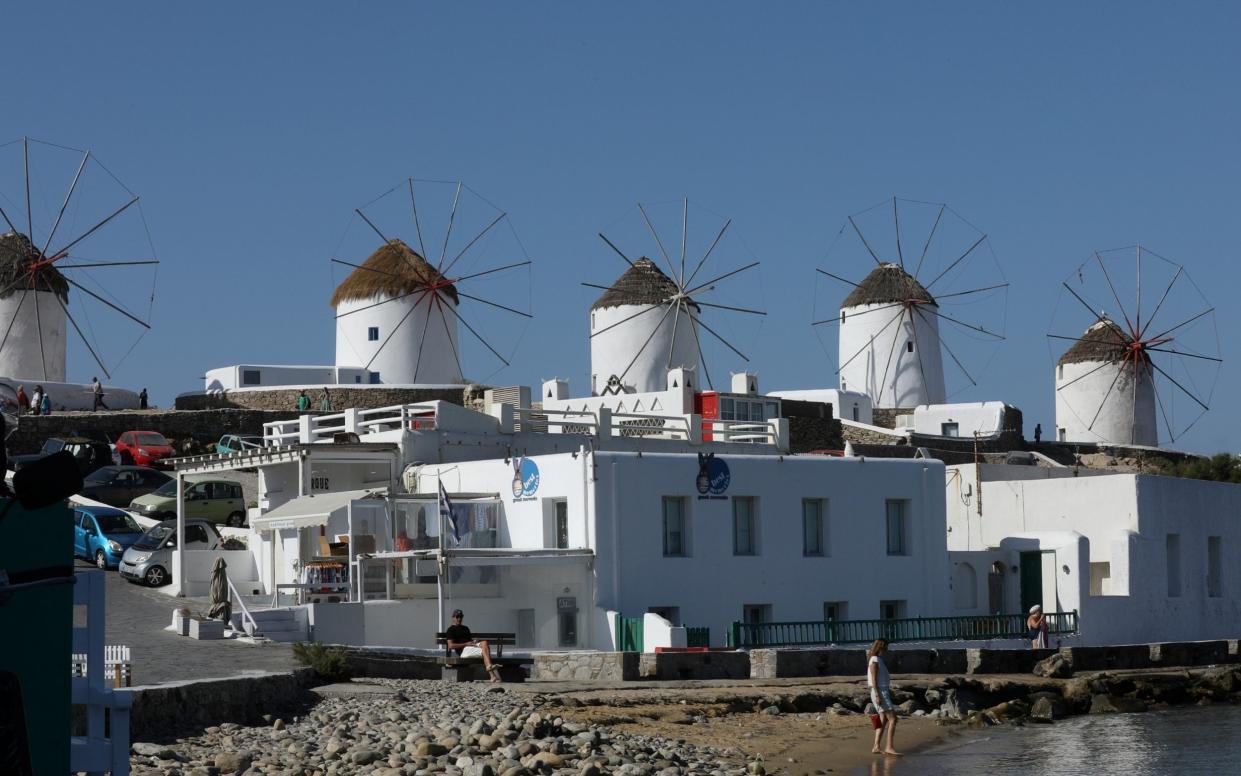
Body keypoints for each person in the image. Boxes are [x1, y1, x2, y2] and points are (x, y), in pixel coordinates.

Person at [444, 608, 501, 682]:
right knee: (485, 651)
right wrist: (465, 644)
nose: (459, 618)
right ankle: (491, 671)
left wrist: (473, 642)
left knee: (484, 643)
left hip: (470, 647)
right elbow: (450, 646)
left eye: (461, 617)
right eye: (457, 617)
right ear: (453, 617)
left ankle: (491, 673)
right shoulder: (450, 630)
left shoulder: (465, 628)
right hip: (463, 651)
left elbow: (469, 641)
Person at [867, 638, 900, 756]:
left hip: (882, 690)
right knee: (893, 719)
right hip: (879, 691)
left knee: (883, 720)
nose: (887, 649)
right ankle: (889, 747)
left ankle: (876, 747)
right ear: (880, 647)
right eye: (885, 646)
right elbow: (874, 680)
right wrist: (877, 695)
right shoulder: (875, 660)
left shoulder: (877, 659)